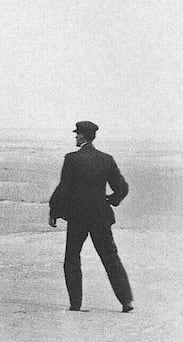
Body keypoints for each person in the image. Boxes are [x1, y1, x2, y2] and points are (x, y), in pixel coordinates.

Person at [48, 120, 133, 312]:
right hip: (100, 216)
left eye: (77, 134)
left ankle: (75, 304)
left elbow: (63, 188)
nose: (75, 137)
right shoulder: (107, 159)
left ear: (83, 136)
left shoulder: (71, 159)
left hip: (78, 217)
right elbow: (122, 187)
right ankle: (126, 302)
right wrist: (112, 200)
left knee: (72, 258)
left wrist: (54, 211)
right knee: (110, 257)